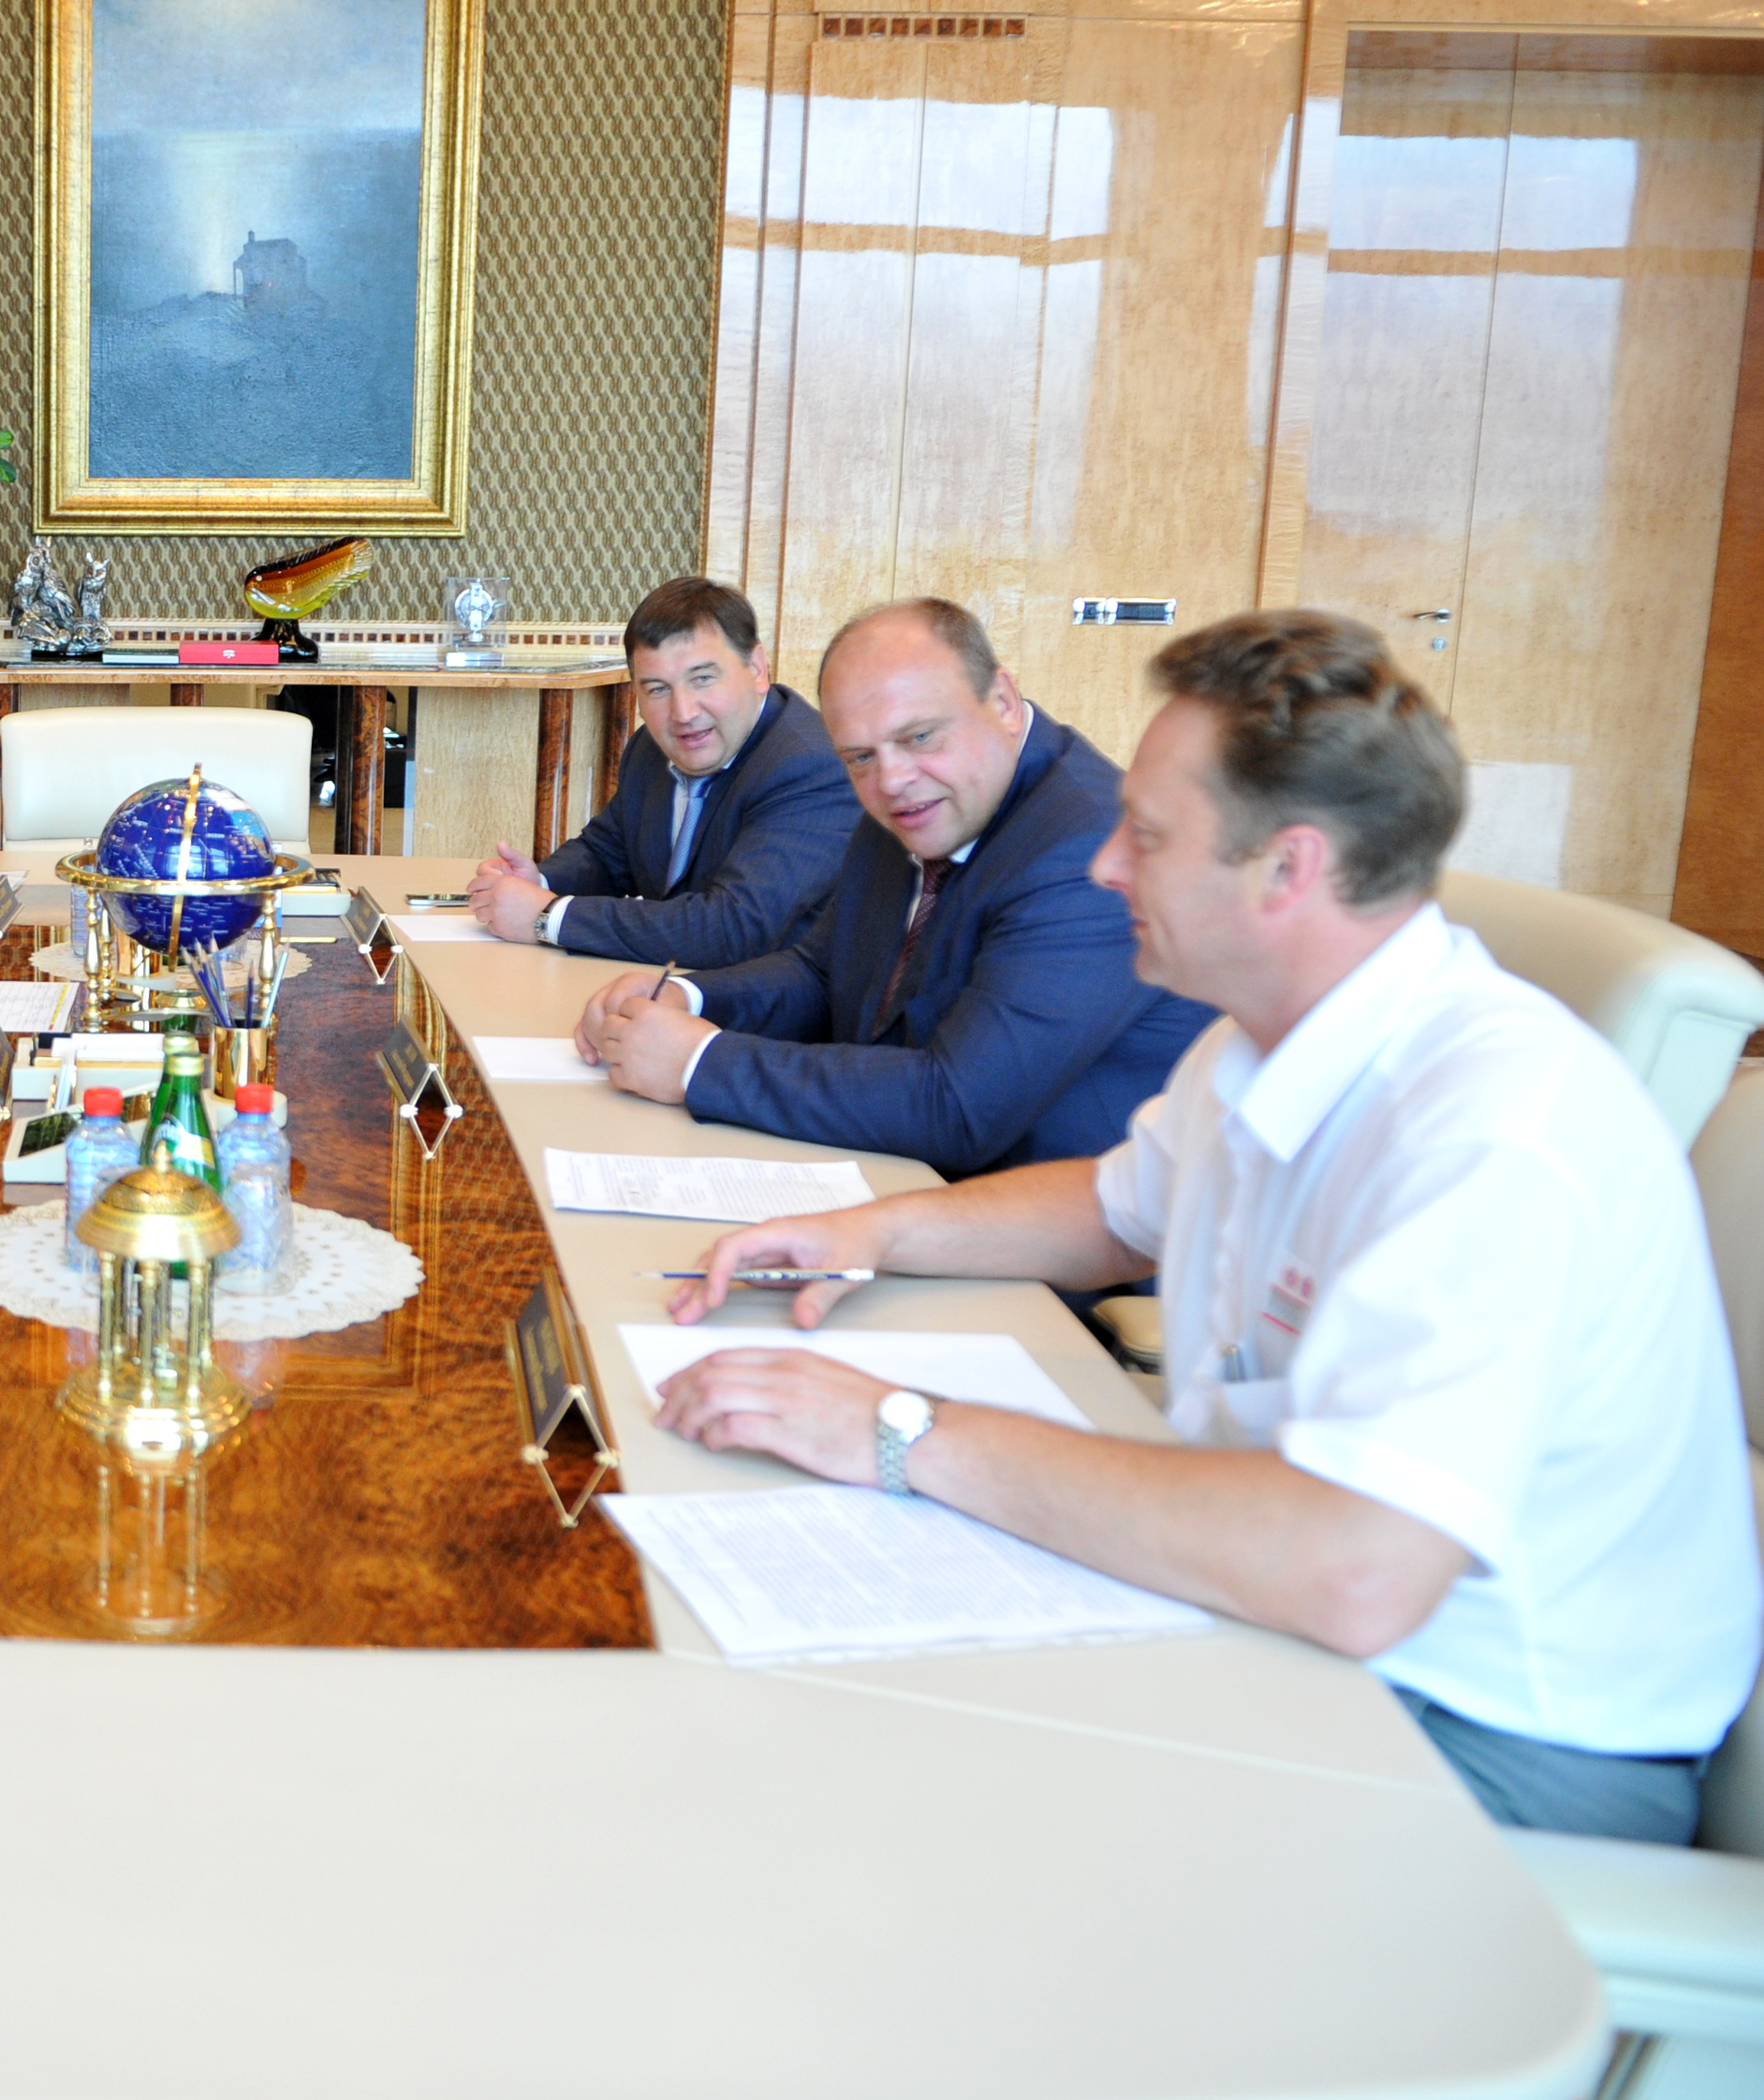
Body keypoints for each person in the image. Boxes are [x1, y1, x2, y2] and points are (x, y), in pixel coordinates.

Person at [655, 609, 1760, 1843]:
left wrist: (898, 1432)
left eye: (1146, 835)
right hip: (1314, 1637)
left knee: (913, 1800)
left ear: (1286, 869)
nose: (1102, 866)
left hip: (1486, 1731)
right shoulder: (1261, 1038)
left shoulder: (1496, 1130)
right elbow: (1111, 1209)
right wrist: (874, 1234)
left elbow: (1353, 1570)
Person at [576, 598, 1213, 1178]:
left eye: (919, 737)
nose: (891, 780)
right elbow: (822, 972)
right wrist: (687, 998)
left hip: (1043, 1241)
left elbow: (955, 1107)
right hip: (897, 1175)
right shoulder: (921, 794)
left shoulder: (1082, 851)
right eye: (859, 756)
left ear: (1001, 700)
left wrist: (700, 1063)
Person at [466, 577, 858, 964]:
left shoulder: (810, 767)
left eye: (702, 679)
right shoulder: (650, 749)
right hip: (667, 988)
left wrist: (549, 917)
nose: (683, 713)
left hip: (769, 1001)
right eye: (658, 689)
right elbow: (608, 853)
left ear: (757, 669)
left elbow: (732, 928)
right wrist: (538, 882)